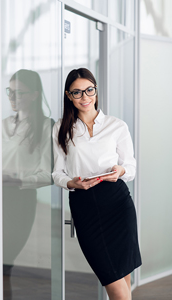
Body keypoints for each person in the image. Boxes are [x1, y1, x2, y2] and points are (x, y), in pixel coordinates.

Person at [52, 68, 142, 300]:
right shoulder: (61, 128)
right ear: (68, 96)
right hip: (84, 205)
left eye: (89, 90)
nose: (85, 97)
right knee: (111, 276)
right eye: (77, 92)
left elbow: (130, 168)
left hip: (117, 201)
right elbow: (57, 173)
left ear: (96, 91)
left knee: (123, 274)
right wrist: (71, 183)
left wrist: (119, 171)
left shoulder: (116, 125)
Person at [0, 69, 53, 300]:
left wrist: (17, 180)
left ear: (35, 95)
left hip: (19, 200)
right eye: (10, 91)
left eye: (19, 93)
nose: (12, 98)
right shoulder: (3, 124)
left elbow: (47, 174)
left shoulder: (47, 127)